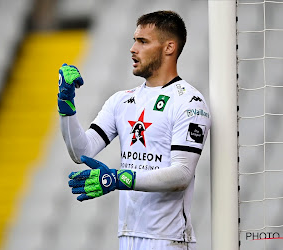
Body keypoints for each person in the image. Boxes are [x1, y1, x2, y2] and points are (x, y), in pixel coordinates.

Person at [57, 10, 211, 250]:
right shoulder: (121, 101)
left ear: (169, 47)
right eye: (134, 40)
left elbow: (182, 174)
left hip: (167, 239)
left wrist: (120, 178)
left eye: (143, 41)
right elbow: (81, 152)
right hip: (127, 236)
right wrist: (67, 108)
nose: (133, 48)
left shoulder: (190, 102)